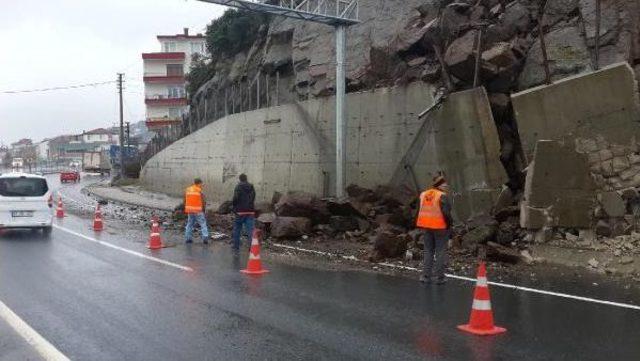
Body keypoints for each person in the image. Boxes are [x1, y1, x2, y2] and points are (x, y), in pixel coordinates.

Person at [416, 175, 453, 285]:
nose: (446, 186)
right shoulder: (442, 196)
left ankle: (425, 276)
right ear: (439, 185)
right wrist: (450, 227)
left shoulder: (423, 194)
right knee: (440, 251)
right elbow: (446, 214)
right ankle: (440, 278)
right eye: (445, 184)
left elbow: (419, 210)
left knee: (428, 251)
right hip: (440, 227)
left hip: (426, 227)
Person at [231, 173, 256, 251]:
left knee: (237, 229)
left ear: (240, 179)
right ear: (246, 179)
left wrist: (234, 206)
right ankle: (252, 247)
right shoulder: (251, 187)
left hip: (240, 211)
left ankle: (236, 246)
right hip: (250, 211)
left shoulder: (238, 187)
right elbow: (253, 197)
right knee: (250, 230)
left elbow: (235, 198)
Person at [184, 178, 209, 244]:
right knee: (203, 224)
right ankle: (205, 238)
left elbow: (185, 200)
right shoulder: (199, 191)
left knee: (189, 224)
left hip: (190, 210)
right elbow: (203, 201)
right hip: (198, 210)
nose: (202, 185)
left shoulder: (188, 189)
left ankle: (188, 238)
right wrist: (203, 209)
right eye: (201, 184)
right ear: (199, 183)